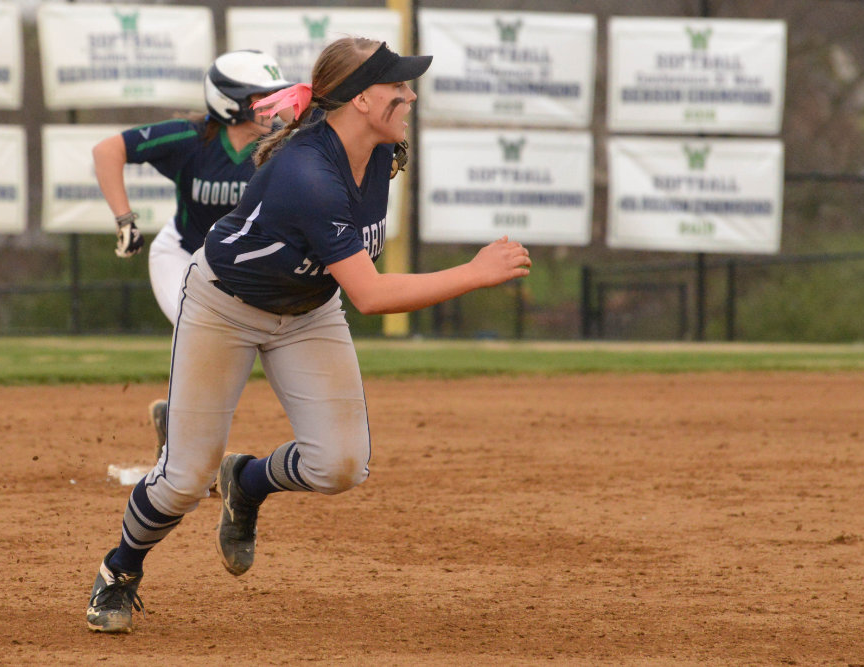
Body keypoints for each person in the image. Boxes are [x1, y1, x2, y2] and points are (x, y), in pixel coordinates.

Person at [85, 36, 531, 634]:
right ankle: (120, 571)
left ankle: (246, 481)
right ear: (361, 100)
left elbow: (346, 274)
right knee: (185, 476)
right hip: (225, 306)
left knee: (341, 466)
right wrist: (475, 273)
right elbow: (370, 296)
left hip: (309, 311)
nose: (410, 94)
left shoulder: (381, 150)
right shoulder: (306, 175)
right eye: (397, 86)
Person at [93, 50, 293, 460]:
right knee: (199, 333)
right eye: (259, 97)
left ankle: (174, 422)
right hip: (181, 256)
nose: (272, 107)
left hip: (238, 270)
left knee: (222, 347)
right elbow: (107, 150)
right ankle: (182, 451)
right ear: (228, 102)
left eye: (274, 96)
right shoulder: (191, 138)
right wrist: (124, 218)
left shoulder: (283, 144)